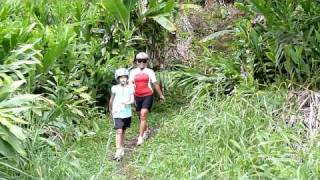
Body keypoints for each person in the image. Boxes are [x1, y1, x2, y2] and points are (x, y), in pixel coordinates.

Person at [129, 52, 165, 145]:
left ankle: (140, 137)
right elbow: (130, 83)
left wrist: (160, 95)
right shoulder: (133, 72)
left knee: (143, 113)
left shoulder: (150, 72)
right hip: (137, 96)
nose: (142, 63)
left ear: (147, 61)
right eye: (139, 61)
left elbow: (155, 84)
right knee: (140, 116)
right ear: (136, 62)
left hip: (147, 95)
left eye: (144, 61)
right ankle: (147, 130)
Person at [109, 68, 134, 161]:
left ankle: (122, 147)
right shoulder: (114, 88)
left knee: (123, 130)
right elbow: (111, 100)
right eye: (121, 78)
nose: (123, 79)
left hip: (127, 113)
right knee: (118, 131)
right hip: (117, 112)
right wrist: (110, 110)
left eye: (125, 77)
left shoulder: (130, 88)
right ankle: (118, 150)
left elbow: (132, 100)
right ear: (118, 78)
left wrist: (127, 102)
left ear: (127, 78)